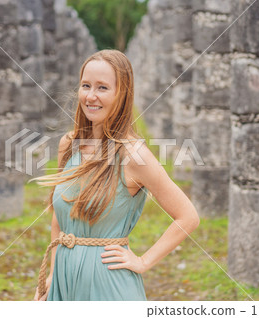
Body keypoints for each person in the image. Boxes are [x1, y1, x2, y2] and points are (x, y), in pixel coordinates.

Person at [31, 49, 200, 301]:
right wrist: (52, 276)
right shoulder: (68, 144)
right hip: (64, 283)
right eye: (85, 85)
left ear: (122, 94)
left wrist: (142, 261)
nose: (90, 96)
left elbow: (188, 216)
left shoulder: (134, 156)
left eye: (102, 88)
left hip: (109, 286)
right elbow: (59, 219)